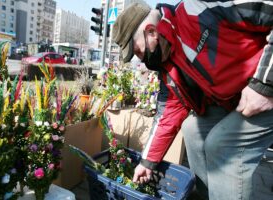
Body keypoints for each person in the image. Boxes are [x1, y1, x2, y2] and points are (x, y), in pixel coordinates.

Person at [112, 2, 273, 200]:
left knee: (222, 145)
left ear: (151, 31)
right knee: (192, 129)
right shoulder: (168, 63)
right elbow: (167, 116)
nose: (141, 59)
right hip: (240, 100)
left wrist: (265, 82)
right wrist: (147, 163)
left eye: (138, 52)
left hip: (266, 89)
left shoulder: (201, 7)